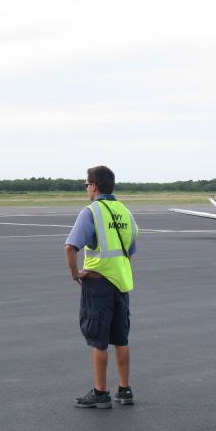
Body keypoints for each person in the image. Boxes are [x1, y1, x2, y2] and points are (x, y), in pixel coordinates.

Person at [64, 166, 139, 409]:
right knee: (121, 338)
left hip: (97, 284)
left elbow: (70, 247)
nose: (87, 188)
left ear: (94, 186)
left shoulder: (91, 212)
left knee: (98, 339)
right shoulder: (125, 212)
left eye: (87, 184)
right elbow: (131, 250)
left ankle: (100, 392)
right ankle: (125, 390)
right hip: (121, 284)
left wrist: (76, 274)